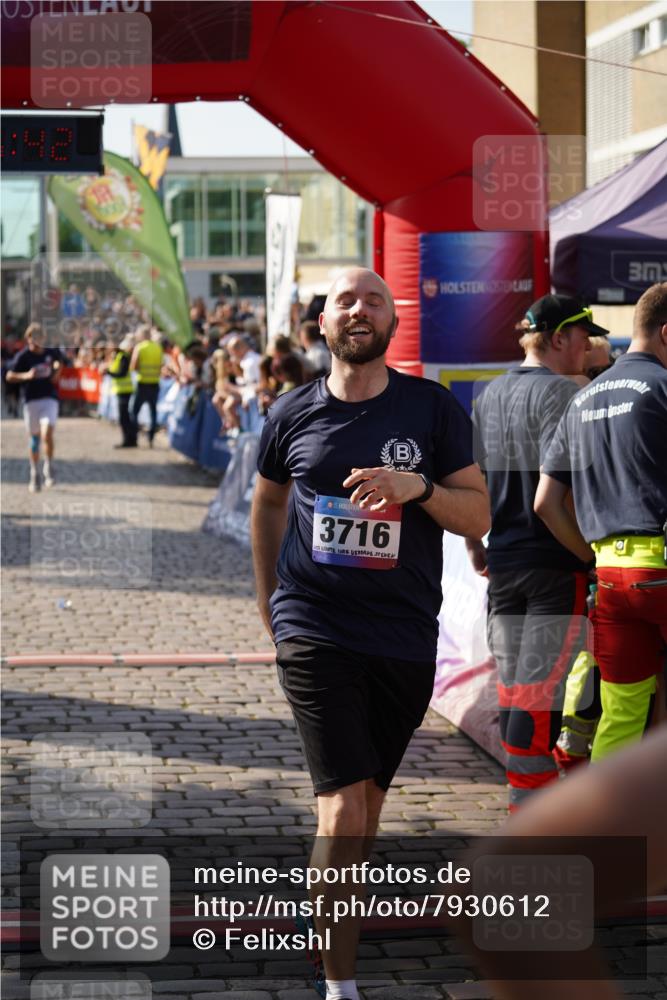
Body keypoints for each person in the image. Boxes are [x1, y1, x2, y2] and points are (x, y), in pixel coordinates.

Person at [250, 266, 490, 1000]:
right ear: (320, 322)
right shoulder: (291, 412)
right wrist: (271, 606)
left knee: (367, 808)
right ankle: (340, 984)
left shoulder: (432, 409)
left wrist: (416, 488)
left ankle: (324, 915)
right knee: (344, 806)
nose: (359, 310)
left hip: (404, 634)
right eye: (343, 301)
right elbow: (266, 507)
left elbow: (478, 517)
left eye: (373, 300)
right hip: (315, 627)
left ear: (391, 323)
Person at [466, 294, 609, 811]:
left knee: (517, 695)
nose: (589, 345)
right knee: (535, 701)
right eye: (583, 335)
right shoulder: (567, 396)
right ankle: (535, 819)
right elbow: (553, 501)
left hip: (503, 564)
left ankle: (527, 810)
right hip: (553, 568)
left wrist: (475, 546)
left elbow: (473, 482)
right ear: (557, 338)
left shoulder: (489, 394)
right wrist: (590, 559)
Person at [535, 281, 667, 762]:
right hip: (662, 569)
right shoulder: (663, 388)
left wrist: (595, 557)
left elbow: (546, 503)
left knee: (621, 715)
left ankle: (614, 831)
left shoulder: (581, 400)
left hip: (610, 580)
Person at [6, 322, 66, 491]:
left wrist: (57, 371)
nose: (33, 344)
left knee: (47, 433)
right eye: (30, 340)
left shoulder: (51, 352)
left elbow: (60, 362)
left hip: (49, 398)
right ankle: (34, 472)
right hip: (31, 401)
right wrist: (26, 376)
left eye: (36, 340)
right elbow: (9, 376)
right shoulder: (23, 356)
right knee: (34, 439)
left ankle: (49, 466)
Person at [130, 324, 163, 447]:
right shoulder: (158, 347)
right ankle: (151, 438)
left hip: (142, 383)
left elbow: (133, 366)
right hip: (155, 383)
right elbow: (161, 365)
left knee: (134, 411)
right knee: (153, 412)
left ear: (143, 335)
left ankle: (134, 437)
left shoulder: (140, 347)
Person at [104, 335, 136, 448]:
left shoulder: (123, 356)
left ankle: (128, 440)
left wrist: (108, 372)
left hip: (125, 391)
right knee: (124, 416)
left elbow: (121, 373)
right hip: (121, 391)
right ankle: (130, 439)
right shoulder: (117, 357)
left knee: (124, 417)